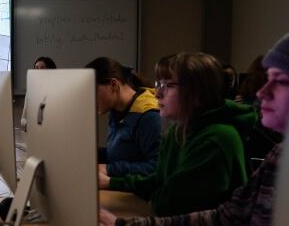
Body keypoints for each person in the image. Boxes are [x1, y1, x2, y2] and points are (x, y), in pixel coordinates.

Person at [100, 25, 289, 226]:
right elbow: (223, 219)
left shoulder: (218, 138)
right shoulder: (282, 155)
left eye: (280, 81)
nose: (261, 93)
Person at [99, 52, 256, 216]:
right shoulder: (177, 130)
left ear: (197, 91)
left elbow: (170, 205)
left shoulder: (217, 139)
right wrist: (111, 182)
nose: (157, 93)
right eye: (159, 84)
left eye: (169, 85)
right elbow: (159, 181)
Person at [86, 57, 162, 177]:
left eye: (93, 91)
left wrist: (110, 169)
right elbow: (121, 154)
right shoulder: (116, 111)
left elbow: (156, 168)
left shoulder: (149, 117)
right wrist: (90, 155)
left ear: (114, 85)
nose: (89, 100)